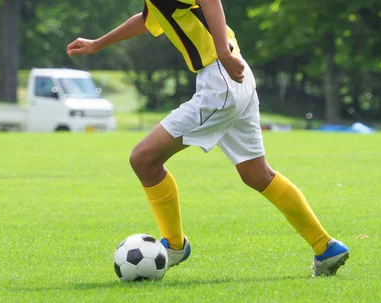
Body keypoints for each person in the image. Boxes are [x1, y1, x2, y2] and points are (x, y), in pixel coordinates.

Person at [67, 0, 349, 276]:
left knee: (143, 159)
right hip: (234, 76)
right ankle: (325, 247)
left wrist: (223, 55)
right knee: (257, 174)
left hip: (220, 78)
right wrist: (97, 43)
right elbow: (147, 18)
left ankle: (175, 246)